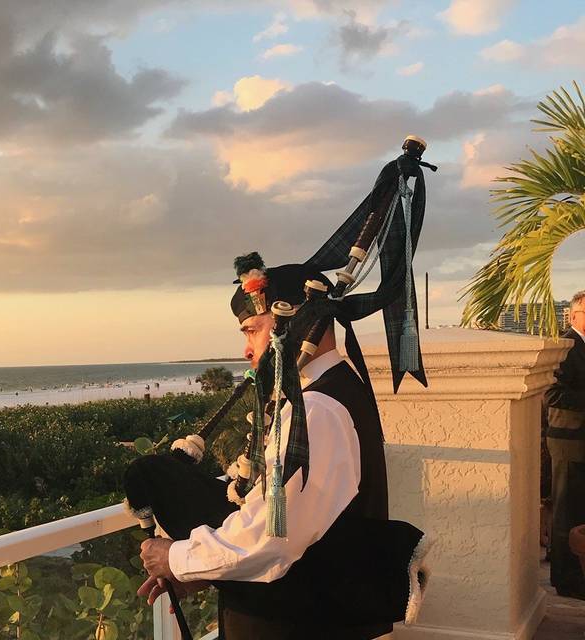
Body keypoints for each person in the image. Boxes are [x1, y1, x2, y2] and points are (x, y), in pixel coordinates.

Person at [127, 260, 426, 639]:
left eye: (253, 330)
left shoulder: (317, 409)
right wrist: (202, 571)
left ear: (296, 321)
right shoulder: (338, 390)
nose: (248, 349)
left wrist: (175, 558)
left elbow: (273, 537)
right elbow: (308, 532)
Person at [545, 289, 585, 599]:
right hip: (568, 442)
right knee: (566, 512)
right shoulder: (565, 347)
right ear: (573, 316)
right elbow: (552, 394)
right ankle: (566, 580)